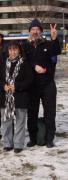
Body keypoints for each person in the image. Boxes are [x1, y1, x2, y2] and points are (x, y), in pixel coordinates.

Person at [23, 19, 61, 148]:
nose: (35, 31)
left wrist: (55, 38)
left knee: (50, 113)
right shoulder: (25, 46)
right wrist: (34, 66)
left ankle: (49, 138)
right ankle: (33, 138)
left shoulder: (47, 44)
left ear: (41, 31)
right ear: (29, 32)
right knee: (32, 113)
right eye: (33, 29)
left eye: (37, 29)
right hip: (32, 86)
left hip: (47, 84)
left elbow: (56, 51)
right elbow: (23, 62)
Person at [0, 41, 33, 153]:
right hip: (5, 97)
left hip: (20, 96)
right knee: (6, 122)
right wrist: (3, 86)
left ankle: (18, 144)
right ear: (7, 51)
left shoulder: (24, 63)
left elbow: (30, 80)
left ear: (19, 50)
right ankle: (8, 143)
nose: (13, 52)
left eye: (15, 49)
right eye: (10, 50)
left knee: (20, 122)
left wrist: (17, 86)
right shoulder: (3, 63)